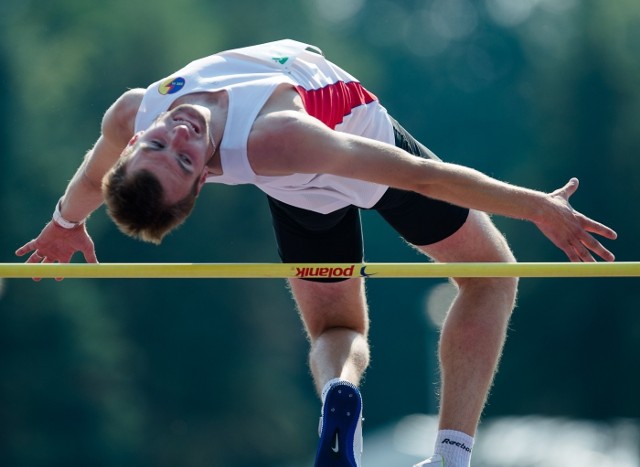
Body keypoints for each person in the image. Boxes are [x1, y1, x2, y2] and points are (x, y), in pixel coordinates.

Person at [15, 39, 616, 467]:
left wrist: (64, 221)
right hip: (347, 144)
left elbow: (96, 174)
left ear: (133, 140)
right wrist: (536, 206)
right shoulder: (278, 136)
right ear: (203, 180)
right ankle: (448, 458)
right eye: (185, 160)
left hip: (298, 180)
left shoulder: (133, 109)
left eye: (160, 145)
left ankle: (339, 395)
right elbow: (419, 178)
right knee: (491, 276)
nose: (178, 136)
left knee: (336, 326)